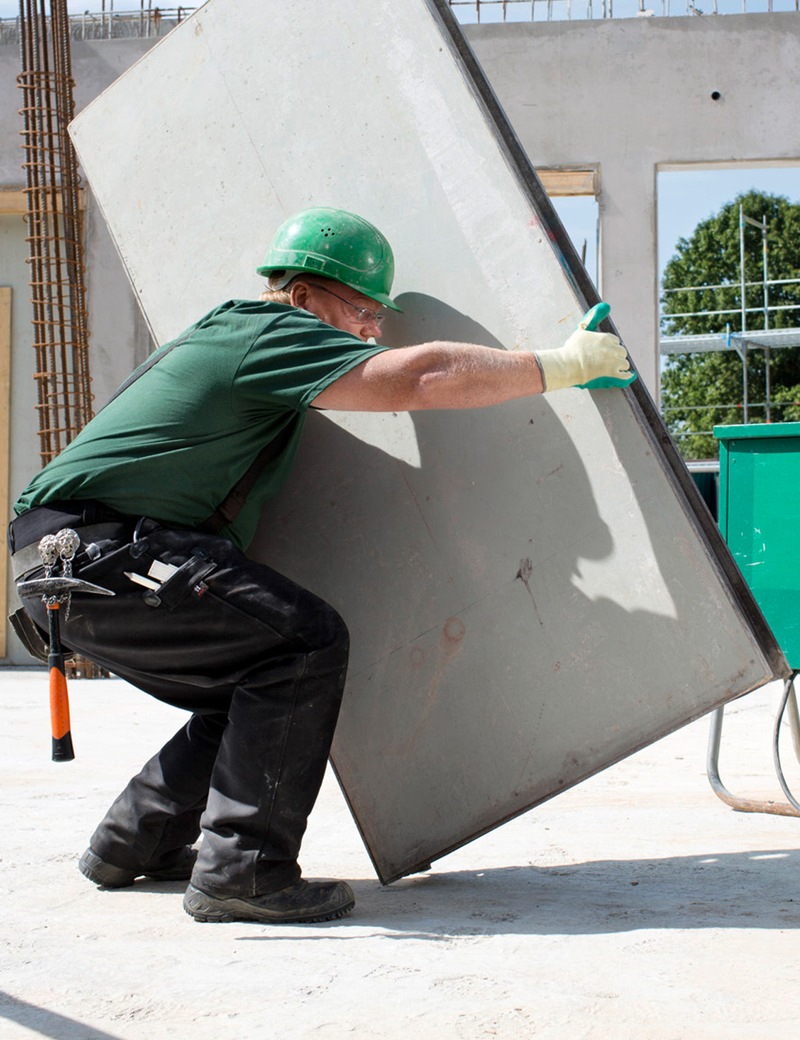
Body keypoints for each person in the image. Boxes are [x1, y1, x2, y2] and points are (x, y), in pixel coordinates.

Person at [8, 206, 634, 926]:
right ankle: (243, 872)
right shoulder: (270, 330)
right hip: (105, 555)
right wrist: (561, 366)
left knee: (246, 685)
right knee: (304, 643)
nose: (371, 328)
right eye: (362, 309)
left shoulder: (240, 343)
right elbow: (419, 378)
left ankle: (134, 843)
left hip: (70, 568)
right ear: (304, 295)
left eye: (377, 316)